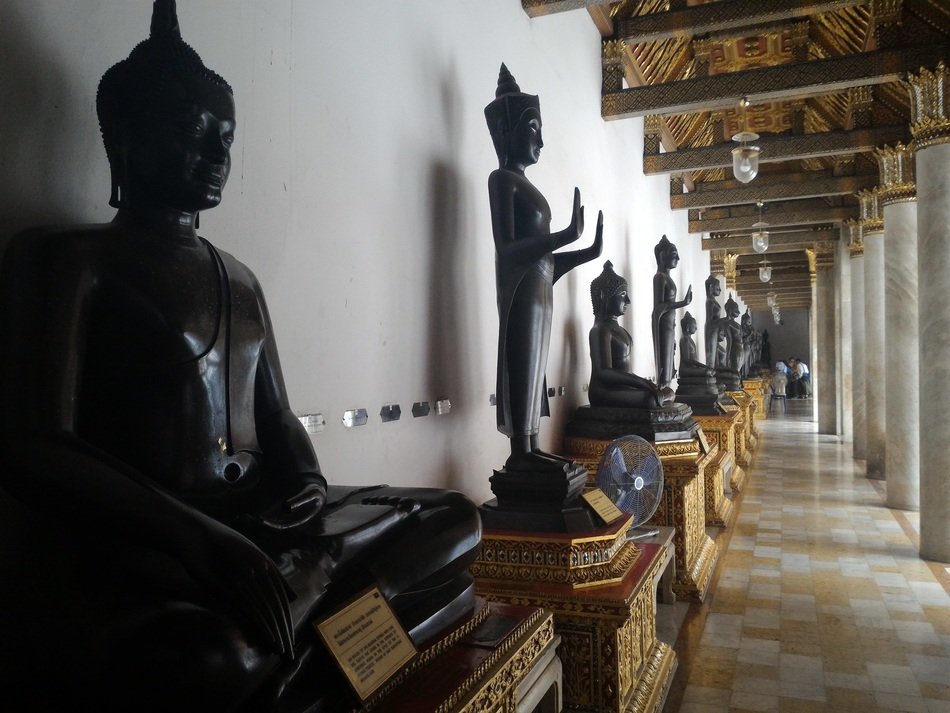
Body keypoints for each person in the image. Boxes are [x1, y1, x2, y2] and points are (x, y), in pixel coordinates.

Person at [0, 4, 480, 710]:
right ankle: (322, 632)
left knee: (454, 517)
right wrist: (197, 538)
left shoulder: (241, 277)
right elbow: (32, 445)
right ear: (128, 136)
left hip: (267, 525)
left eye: (226, 136)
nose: (219, 154)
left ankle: (303, 621)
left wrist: (310, 495)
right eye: (195, 134)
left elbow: (278, 418)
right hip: (154, 546)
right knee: (209, 659)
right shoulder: (68, 260)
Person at [485, 63, 602, 472]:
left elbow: (545, 263)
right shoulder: (502, 180)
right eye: (534, 128)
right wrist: (563, 236)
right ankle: (521, 454)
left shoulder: (526, 186)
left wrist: (582, 251)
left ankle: (532, 447)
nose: (542, 140)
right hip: (520, 293)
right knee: (522, 365)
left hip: (541, 292)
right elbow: (509, 249)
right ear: (507, 132)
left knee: (536, 369)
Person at [587, 261, 664, 408]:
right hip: (603, 391)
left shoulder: (619, 329)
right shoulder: (600, 330)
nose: (627, 300)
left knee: (667, 393)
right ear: (604, 296)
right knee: (650, 399)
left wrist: (646, 384)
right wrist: (643, 383)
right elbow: (604, 372)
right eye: (623, 295)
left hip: (623, 388)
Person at [652, 235, 692, 389]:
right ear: (662, 256)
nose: (678, 258)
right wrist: (683, 303)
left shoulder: (667, 278)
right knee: (664, 371)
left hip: (669, 327)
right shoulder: (659, 278)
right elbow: (658, 308)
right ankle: (664, 392)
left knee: (669, 367)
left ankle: (667, 393)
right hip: (663, 327)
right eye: (675, 255)